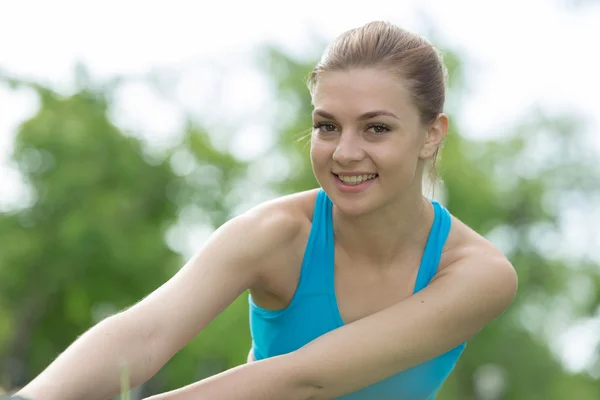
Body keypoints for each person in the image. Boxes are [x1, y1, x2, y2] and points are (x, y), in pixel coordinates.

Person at [13, 21, 518, 400]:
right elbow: (144, 333)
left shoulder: (476, 273)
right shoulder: (275, 233)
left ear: (431, 134)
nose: (344, 152)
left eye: (376, 128)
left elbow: (305, 379)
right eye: (327, 126)